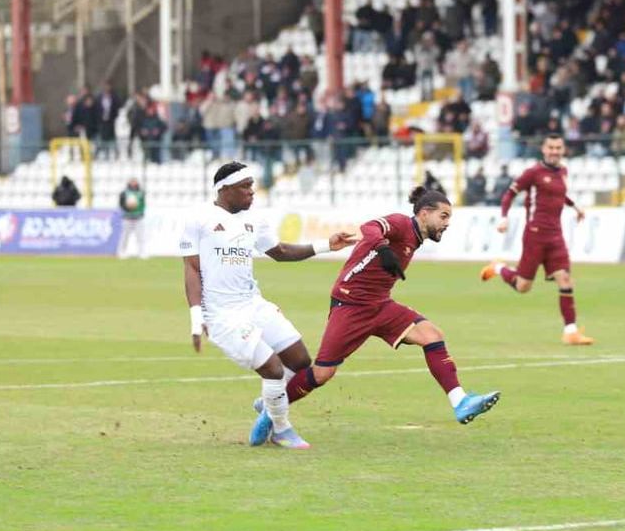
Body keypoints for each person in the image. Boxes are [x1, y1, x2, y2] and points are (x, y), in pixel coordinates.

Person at [275, 186, 500, 429]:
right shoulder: (401, 223)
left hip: (380, 305)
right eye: (443, 216)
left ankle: (460, 402)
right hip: (350, 305)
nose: (447, 223)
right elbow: (370, 227)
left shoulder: (416, 238)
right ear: (424, 213)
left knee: (432, 335)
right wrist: (383, 249)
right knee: (322, 374)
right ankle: (272, 407)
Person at [184, 162, 358, 449]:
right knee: (273, 369)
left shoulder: (254, 220)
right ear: (225, 189)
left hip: (252, 303)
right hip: (222, 315)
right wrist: (195, 316)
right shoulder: (198, 219)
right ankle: (280, 429)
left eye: (252, 186)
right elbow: (191, 268)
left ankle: (269, 404)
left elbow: (280, 251)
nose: (252, 192)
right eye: (245, 186)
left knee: (300, 361)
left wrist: (326, 245)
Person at [480, 134, 593, 346]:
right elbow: (509, 194)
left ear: (563, 150)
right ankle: (498, 268)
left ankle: (571, 332)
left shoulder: (563, 171)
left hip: (556, 235)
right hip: (535, 235)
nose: (554, 151)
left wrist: (575, 207)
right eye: (551, 147)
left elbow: (560, 194)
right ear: (544, 149)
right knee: (523, 286)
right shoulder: (533, 173)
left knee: (565, 279)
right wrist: (504, 217)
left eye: (558, 148)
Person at [118, 178, 147, 259]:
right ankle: (122, 252)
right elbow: (121, 204)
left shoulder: (141, 193)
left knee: (140, 236)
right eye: (132, 182)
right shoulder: (124, 193)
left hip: (138, 218)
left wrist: (141, 212)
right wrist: (128, 208)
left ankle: (142, 252)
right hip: (127, 218)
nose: (133, 183)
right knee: (125, 236)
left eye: (135, 182)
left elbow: (143, 204)